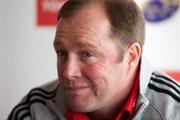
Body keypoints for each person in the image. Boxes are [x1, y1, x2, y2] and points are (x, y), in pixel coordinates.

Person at [8, 0, 180, 120]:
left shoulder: (174, 111)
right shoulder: (33, 110)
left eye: (87, 54)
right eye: (61, 53)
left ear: (131, 56)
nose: (68, 72)